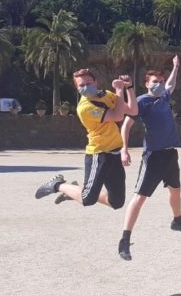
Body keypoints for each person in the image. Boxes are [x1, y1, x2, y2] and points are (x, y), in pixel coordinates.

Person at [116, 56, 181, 261]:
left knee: (175, 190)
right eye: (154, 82)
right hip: (153, 157)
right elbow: (126, 125)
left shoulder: (164, 96)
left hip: (170, 154)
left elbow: (171, 84)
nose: (159, 84)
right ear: (146, 84)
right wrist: (124, 149)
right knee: (140, 198)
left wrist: (176, 66)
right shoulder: (141, 102)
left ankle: (177, 221)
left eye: (160, 81)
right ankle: (125, 239)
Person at [34, 68, 138, 216]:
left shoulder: (106, 95)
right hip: (99, 154)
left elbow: (132, 111)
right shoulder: (84, 108)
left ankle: (74, 191)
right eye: (81, 85)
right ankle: (57, 185)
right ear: (77, 88)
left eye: (88, 83)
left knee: (117, 202)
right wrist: (119, 91)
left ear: (95, 82)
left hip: (115, 153)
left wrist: (129, 88)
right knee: (87, 199)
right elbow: (117, 116)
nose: (86, 87)